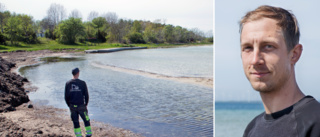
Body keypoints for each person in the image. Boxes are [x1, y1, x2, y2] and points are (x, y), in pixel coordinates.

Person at [239, 5, 320, 137]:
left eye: (268, 46)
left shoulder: (315, 123)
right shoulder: (252, 129)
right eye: (248, 48)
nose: (255, 60)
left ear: (294, 54)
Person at [65, 68, 92, 137]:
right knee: (86, 120)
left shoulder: (68, 83)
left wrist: (69, 105)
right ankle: (88, 134)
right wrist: (85, 104)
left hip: (72, 106)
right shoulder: (82, 83)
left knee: (75, 122)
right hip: (81, 106)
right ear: (78, 73)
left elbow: (66, 96)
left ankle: (79, 135)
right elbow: (86, 95)